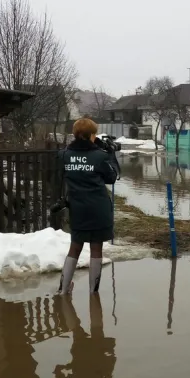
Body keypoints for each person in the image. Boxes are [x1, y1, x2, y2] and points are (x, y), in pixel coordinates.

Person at [57, 117, 118, 295]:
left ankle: (63, 288)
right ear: (92, 135)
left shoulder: (64, 155)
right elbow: (111, 177)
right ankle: (93, 292)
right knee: (96, 247)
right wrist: (111, 155)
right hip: (99, 208)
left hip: (77, 209)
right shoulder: (100, 156)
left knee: (75, 246)